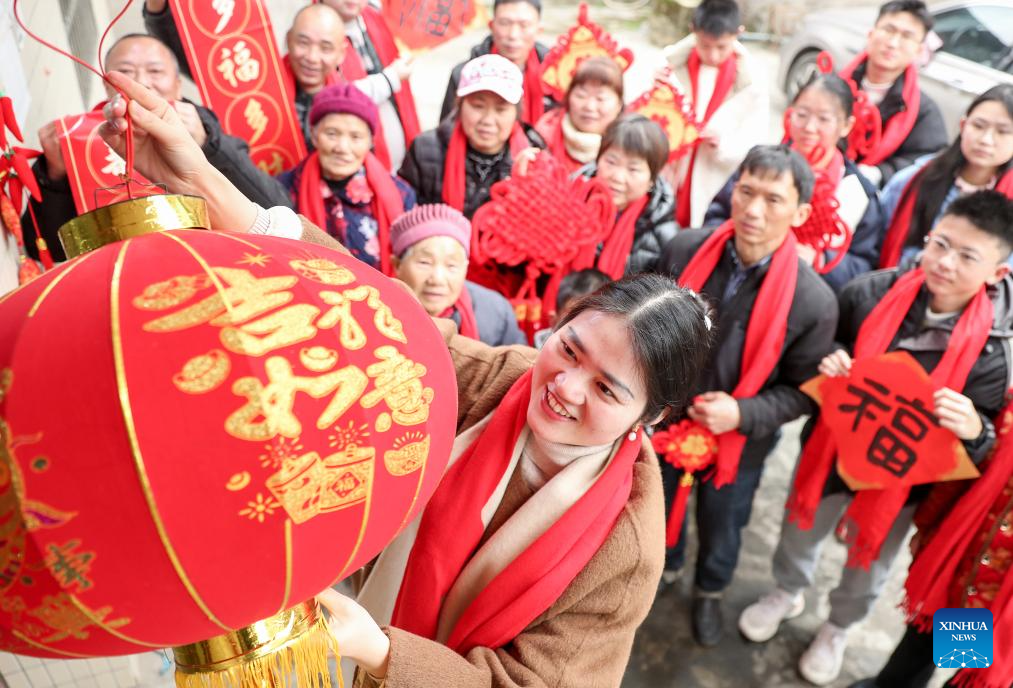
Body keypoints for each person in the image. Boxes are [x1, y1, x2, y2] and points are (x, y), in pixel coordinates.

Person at [739, 191, 1013, 686]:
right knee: (929, 615)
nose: (946, 264)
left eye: (967, 256)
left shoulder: (993, 352)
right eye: (940, 246)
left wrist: (976, 432)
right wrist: (835, 360)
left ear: (997, 271)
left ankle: (849, 636)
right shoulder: (870, 294)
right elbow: (825, 346)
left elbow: (985, 440)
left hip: (916, 495)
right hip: (963, 530)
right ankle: (881, 670)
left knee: (975, 657)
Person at [657, 144, 839, 647]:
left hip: (740, 441)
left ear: (800, 212)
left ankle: (710, 589)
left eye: (774, 200)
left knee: (725, 521)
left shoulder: (813, 300)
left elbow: (805, 392)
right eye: (746, 191)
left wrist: (743, 412)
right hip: (667, 420)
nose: (754, 211)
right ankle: (665, 566)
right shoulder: (684, 251)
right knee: (655, 502)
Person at [21, 33, 292, 264]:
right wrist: (52, 177)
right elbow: (44, 247)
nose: (141, 82)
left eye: (155, 72)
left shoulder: (208, 135)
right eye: (125, 72)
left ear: (177, 84)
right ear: (106, 83)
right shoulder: (79, 140)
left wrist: (208, 147)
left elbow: (279, 214)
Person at [704, 74, 885, 292]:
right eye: (802, 114)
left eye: (824, 119)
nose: (809, 127)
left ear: (846, 126)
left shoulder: (856, 191)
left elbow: (863, 266)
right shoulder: (758, 164)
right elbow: (716, 214)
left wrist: (820, 259)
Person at [144, 1, 352, 149]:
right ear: (288, 40)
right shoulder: (255, 76)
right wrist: (158, 8)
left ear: (341, 53)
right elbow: (193, 57)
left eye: (325, 48)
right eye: (303, 43)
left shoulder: (353, 100)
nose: (312, 57)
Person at [277, 84, 414, 274]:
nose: (342, 147)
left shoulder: (401, 194)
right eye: (332, 134)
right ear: (315, 135)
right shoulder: (284, 189)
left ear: (370, 141)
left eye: (356, 137)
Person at [661, 0, 769, 229]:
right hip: (673, 172)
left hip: (716, 179)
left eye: (721, 47)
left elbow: (755, 138)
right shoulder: (668, 67)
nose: (712, 55)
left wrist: (723, 145)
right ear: (693, 31)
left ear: (739, 34)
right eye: (704, 45)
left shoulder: (753, 82)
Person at [879, 84, 1013, 269]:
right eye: (978, 126)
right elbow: (874, 240)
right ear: (963, 125)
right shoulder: (916, 178)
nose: (986, 140)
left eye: (1003, 131)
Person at [399, 54, 544, 219]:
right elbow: (406, 218)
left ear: (517, 113)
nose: (488, 120)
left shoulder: (534, 156)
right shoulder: (425, 150)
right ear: (459, 106)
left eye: (500, 110)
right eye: (478, 106)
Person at [838, 0, 948, 188]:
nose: (893, 43)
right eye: (888, 30)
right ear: (871, 34)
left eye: (906, 36)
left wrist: (879, 173)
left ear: (919, 50)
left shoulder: (923, 111)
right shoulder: (835, 86)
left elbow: (925, 161)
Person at [390, 203, 526, 346]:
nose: (437, 279)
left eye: (451, 265)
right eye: (425, 263)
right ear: (397, 265)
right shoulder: (375, 309)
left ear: (465, 268)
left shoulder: (496, 312)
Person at [321, 0, 419, 171]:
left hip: (401, 163)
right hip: (350, 165)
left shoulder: (373, 18)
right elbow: (331, 98)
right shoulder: (315, 28)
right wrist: (390, 79)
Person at [577, 114, 678, 276]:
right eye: (611, 162)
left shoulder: (665, 237)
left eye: (633, 169)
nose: (617, 177)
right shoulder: (571, 199)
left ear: (652, 179)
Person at [440, 0, 553, 126]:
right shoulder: (465, 75)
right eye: (505, 23)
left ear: (539, 30)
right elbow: (446, 130)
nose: (513, 35)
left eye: (524, 25)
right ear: (491, 26)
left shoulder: (555, 76)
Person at [534, 57, 624, 175]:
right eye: (581, 95)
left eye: (601, 98)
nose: (589, 107)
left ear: (619, 105)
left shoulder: (629, 146)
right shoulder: (540, 138)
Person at [532, 268, 610, 348]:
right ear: (553, 322)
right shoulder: (538, 351)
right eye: (572, 319)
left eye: (594, 324)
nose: (580, 334)